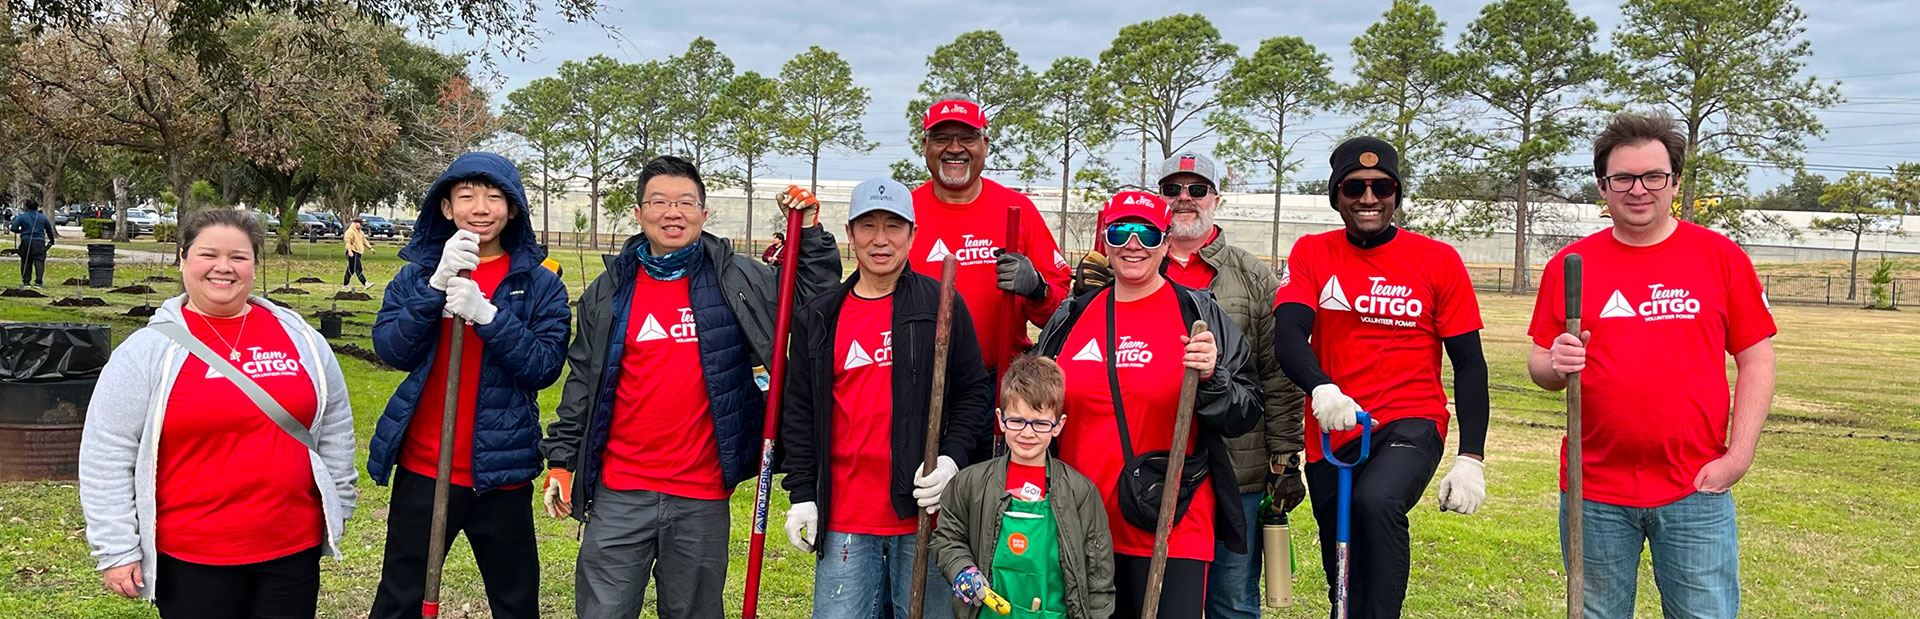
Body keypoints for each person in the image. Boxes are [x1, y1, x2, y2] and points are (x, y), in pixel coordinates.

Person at [541, 155, 841, 619]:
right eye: (659, 202)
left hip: (701, 492)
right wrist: (561, 461)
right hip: (620, 491)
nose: (672, 212)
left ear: (704, 212)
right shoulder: (610, 289)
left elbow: (811, 297)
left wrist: (811, 234)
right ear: (639, 213)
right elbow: (582, 378)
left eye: (685, 202)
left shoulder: (737, 279)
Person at [1529, 112, 1777, 619]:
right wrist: (1555, 363)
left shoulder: (1720, 258)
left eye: (1653, 176)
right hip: (1593, 488)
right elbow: (1540, 364)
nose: (1638, 189)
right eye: (1623, 178)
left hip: (1695, 486)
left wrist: (1738, 456)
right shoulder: (1570, 264)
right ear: (1603, 186)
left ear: (1675, 182)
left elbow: (1757, 359)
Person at [78, 209, 358, 617]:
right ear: (183, 258)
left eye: (239, 257)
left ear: (255, 265)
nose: (223, 267)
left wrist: (339, 503)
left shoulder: (300, 338)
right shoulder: (146, 351)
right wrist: (117, 547)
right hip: (192, 557)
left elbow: (335, 424)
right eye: (208, 254)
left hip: (292, 550)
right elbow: (107, 451)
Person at [1075, 152, 1308, 617]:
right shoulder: (1115, 278)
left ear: (1215, 199)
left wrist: (1285, 456)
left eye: (1197, 189)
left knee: (1231, 600)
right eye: (1172, 189)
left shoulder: (1249, 276)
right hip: (1128, 482)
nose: (1184, 198)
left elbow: (1274, 374)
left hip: (1230, 471)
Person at [1269, 137, 1491, 618]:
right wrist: (1322, 387)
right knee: (1343, 561)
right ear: (1337, 195)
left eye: (1381, 187)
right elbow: (1288, 333)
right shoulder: (1312, 252)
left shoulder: (1437, 259)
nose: (1368, 198)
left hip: (1410, 421)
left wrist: (1471, 457)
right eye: (1354, 187)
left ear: (1396, 194)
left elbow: (1470, 364)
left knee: (1376, 501)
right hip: (1335, 425)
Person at [1031, 191, 1262, 619]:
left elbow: (1245, 411)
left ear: (1166, 241)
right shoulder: (1074, 315)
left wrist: (1213, 378)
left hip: (1171, 524)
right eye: (1120, 231)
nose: (1133, 244)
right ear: (1105, 240)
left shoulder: (1198, 313)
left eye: (1147, 233)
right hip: (1083, 525)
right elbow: (1033, 407)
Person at [365, 152, 572, 619]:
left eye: (494, 197)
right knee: (400, 597)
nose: (480, 207)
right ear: (445, 207)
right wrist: (434, 289)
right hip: (425, 467)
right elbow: (392, 349)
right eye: (466, 196)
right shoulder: (416, 275)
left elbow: (543, 367)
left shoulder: (540, 284)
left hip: (502, 472)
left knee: (515, 601)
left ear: (513, 209)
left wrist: (488, 317)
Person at [779, 177, 995, 619]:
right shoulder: (819, 316)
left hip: (925, 516)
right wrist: (802, 493)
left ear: (913, 234)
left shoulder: (942, 305)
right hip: (844, 519)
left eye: (894, 226)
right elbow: (799, 412)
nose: (881, 240)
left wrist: (952, 459)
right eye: (868, 226)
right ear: (850, 233)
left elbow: (974, 392)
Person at [932, 354, 1116, 619]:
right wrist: (961, 568)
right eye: (1017, 421)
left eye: (1040, 423)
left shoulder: (1079, 493)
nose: (1027, 433)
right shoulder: (971, 484)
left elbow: (1099, 573)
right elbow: (947, 537)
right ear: (1000, 419)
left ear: (1058, 425)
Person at [911, 96, 1072, 387]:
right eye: (942, 138)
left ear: (985, 144)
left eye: (968, 138)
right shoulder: (904, 213)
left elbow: (1059, 315)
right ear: (925, 146)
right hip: (919, 382)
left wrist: (1037, 289)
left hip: (997, 383)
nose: (955, 148)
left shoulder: (1018, 210)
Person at [9, 198, 55, 288]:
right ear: (37, 207)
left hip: (25, 241)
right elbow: (49, 230)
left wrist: (22, 231)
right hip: (39, 242)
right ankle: (38, 282)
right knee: (39, 262)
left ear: (26, 207)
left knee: (26, 261)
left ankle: (26, 282)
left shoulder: (22, 217)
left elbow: (13, 228)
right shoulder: (42, 217)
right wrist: (51, 240)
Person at [342, 219, 372, 290]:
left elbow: (364, 240)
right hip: (353, 252)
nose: (361, 226)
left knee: (351, 269)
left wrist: (370, 248)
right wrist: (350, 251)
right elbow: (348, 242)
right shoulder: (350, 232)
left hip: (358, 253)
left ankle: (346, 284)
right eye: (360, 224)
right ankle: (365, 283)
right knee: (358, 268)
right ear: (355, 223)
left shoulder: (360, 232)